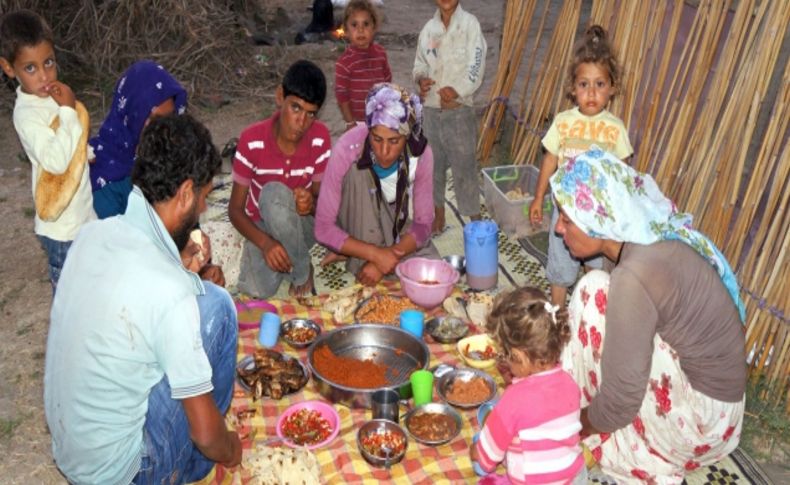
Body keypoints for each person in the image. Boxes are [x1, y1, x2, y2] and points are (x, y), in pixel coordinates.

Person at [44, 114, 241, 484]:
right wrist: (230, 448)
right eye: (203, 196)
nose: (203, 209)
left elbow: (136, 289)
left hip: (73, 456)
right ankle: (193, 469)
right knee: (218, 307)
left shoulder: (91, 236)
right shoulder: (169, 290)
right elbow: (205, 434)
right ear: (185, 193)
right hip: (127, 474)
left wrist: (182, 266)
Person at [550, 148, 746, 483]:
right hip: (725, 412)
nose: (557, 229)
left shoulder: (636, 274)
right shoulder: (644, 236)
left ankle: (633, 445)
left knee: (591, 292)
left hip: (703, 426)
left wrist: (568, 427)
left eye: (567, 220)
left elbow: (620, 401)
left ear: (598, 223)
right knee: (599, 291)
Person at [528, 25, 633, 308]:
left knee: (596, 268)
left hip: (597, 215)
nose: (591, 92)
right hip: (564, 213)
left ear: (612, 88)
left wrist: (619, 211)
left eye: (599, 84)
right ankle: (558, 315)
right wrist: (538, 198)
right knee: (560, 268)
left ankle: (590, 314)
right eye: (584, 84)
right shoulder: (563, 122)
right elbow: (550, 158)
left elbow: (622, 173)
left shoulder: (615, 129)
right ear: (573, 89)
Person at [0, 10, 95, 291]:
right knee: (70, 300)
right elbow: (55, 161)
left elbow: (69, 142)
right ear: (8, 68)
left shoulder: (50, 96)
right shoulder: (27, 115)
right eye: (30, 68)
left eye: (49, 63)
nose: (44, 76)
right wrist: (67, 111)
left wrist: (85, 153)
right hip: (62, 228)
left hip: (82, 216)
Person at [314, 82, 438, 286]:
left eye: (394, 141)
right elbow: (323, 228)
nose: (384, 151)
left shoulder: (421, 154)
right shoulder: (347, 149)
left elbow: (423, 225)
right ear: (369, 130)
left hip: (395, 220)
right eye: (377, 139)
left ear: (406, 137)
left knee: (430, 272)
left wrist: (387, 257)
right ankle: (359, 252)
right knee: (358, 170)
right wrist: (376, 255)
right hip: (358, 216)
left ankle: (354, 254)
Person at [229, 60, 331, 298]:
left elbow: (323, 205)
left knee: (274, 195)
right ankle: (293, 255)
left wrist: (311, 204)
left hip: (301, 225)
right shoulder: (251, 140)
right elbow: (235, 210)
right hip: (262, 224)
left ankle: (302, 270)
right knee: (255, 288)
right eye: (295, 108)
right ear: (279, 97)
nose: (301, 122)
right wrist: (265, 243)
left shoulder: (320, 138)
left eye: (310, 114)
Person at [471, 287, 586, 484]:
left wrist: (474, 450)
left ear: (520, 356)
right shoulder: (570, 383)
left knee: (483, 471)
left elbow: (486, 459)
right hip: (574, 478)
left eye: (506, 355)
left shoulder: (513, 399)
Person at [413, 0, 486, 234]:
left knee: (464, 166)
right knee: (433, 166)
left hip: (459, 112)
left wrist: (459, 90)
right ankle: (438, 212)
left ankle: (474, 214)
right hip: (432, 112)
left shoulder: (470, 25)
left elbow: (476, 66)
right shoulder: (428, 30)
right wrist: (421, 80)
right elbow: (419, 65)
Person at [89, 59, 187, 218]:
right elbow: (115, 238)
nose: (164, 129)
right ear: (132, 116)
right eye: (154, 120)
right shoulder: (103, 176)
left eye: (170, 118)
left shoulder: (169, 156)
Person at [335, 0, 392, 130]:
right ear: (346, 30)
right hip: (357, 122)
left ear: (374, 27)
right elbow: (342, 96)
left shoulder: (381, 54)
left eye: (366, 24)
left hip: (380, 118)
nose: (360, 30)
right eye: (354, 25)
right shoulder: (344, 63)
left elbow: (387, 82)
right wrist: (349, 122)